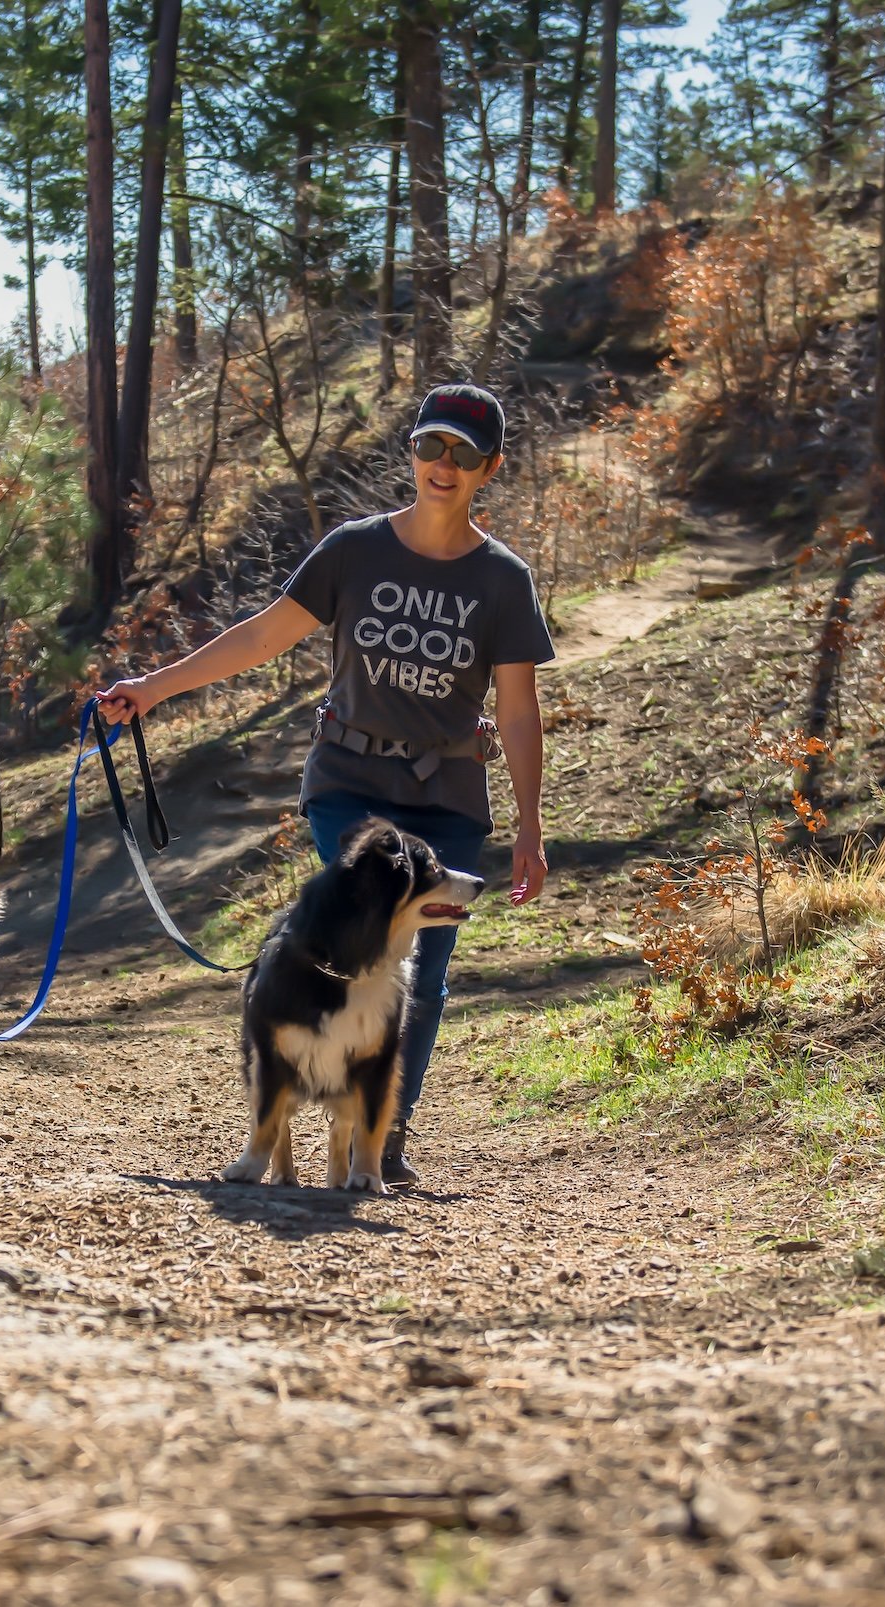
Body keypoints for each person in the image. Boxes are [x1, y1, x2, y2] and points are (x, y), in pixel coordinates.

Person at [95, 383, 554, 1185]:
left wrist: (530, 827)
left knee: (427, 967)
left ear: (490, 468)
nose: (443, 466)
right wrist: (155, 687)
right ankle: (310, 1085)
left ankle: (382, 1128)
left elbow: (519, 711)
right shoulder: (354, 549)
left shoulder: (503, 580)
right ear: (411, 449)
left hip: (447, 794)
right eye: (431, 446)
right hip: (348, 781)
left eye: (464, 454)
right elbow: (266, 633)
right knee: (353, 936)